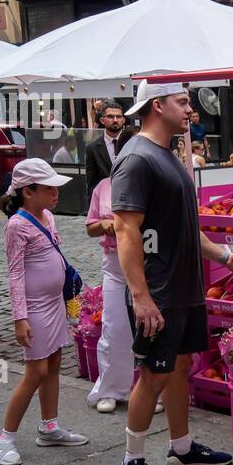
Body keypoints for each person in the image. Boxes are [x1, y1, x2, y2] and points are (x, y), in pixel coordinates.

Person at [111, 80, 233, 465]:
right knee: (153, 374)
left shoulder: (168, 155)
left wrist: (222, 255)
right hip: (158, 290)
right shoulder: (136, 158)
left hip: (185, 287)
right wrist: (140, 295)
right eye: (183, 101)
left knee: (181, 366)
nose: (191, 109)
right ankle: (131, 461)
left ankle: (182, 448)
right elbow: (124, 229)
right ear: (158, 106)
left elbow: (185, 226)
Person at [0, 159, 88, 465]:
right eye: (49, 188)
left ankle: (49, 426)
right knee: (35, 372)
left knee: (55, 362)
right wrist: (20, 318)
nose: (56, 193)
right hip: (34, 308)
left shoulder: (46, 216)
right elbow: (15, 274)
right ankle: (4, 438)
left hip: (52, 304)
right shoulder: (17, 225)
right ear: (28, 192)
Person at [85, 176, 163, 416]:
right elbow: (90, 226)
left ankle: (150, 389)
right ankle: (110, 389)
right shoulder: (103, 186)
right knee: (114, 326)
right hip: (115, 264)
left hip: (149, 261)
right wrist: (104, 225)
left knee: (150, 327)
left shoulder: (155, 184)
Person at [85, 101, 134, 195]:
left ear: (123, 120)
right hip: (106, 202)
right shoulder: (92, 149)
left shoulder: (133, 143)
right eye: (110, 116)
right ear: (102, 120)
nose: (115, 120)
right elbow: (92, 184)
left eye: (119, 117)